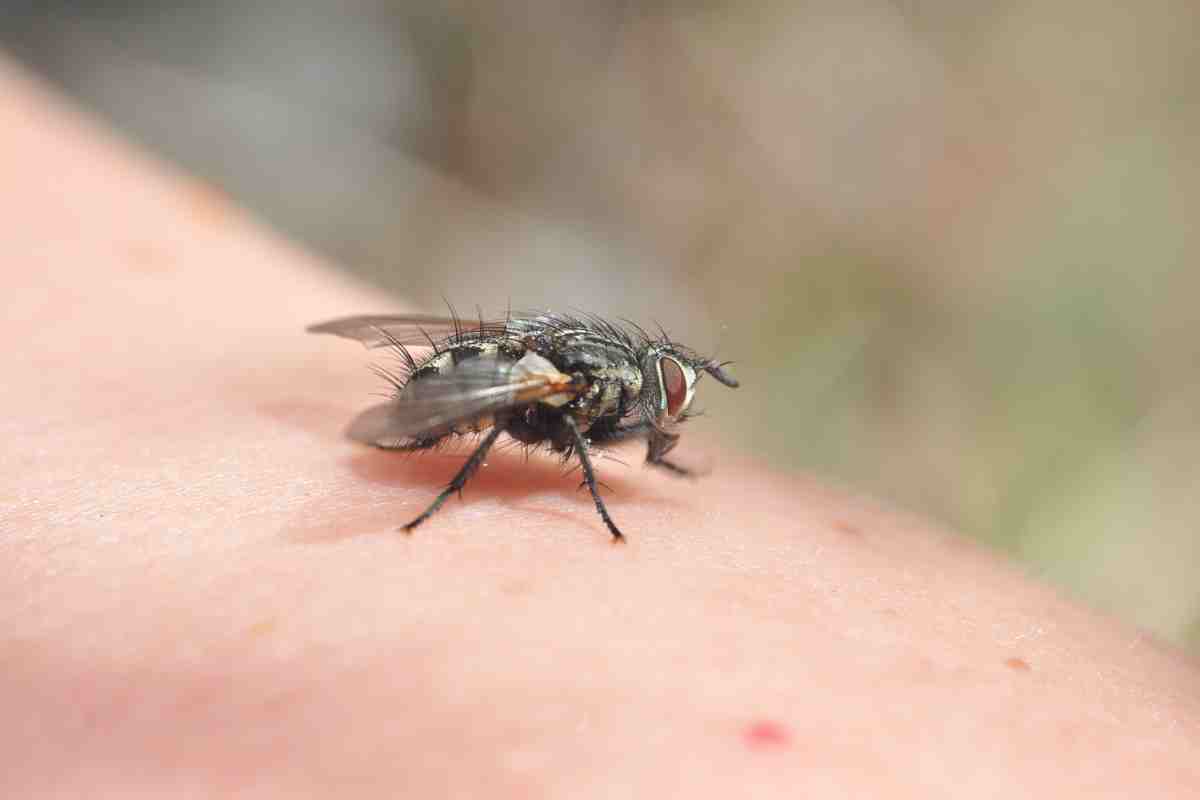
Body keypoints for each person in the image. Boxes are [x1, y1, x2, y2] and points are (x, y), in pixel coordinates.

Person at [3, 59, 1198, 798]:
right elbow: (523, 406)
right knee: (520, 415)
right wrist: (473, 493)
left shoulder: (610, 382)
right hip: (478, 395)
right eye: (666, 401)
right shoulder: (582, 395)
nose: (663, 412)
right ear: (641, 386)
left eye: (669, 401)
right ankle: (441, 491)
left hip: (497, 359)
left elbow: (534, 369)